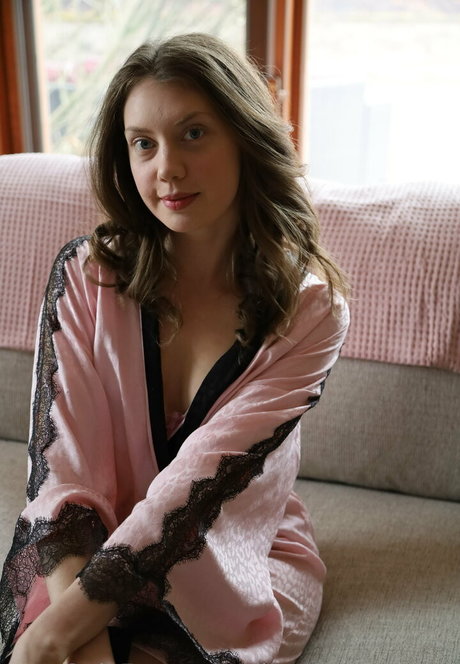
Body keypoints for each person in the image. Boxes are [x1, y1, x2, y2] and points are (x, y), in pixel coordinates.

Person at [0, 33, 349, 664]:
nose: (167, 168)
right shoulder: (86, 277)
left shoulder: (309, 313)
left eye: (193, 134)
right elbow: (65, 478)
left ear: (244, 138)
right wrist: (74, 634)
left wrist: (55, 636)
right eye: (144, 143)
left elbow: (197, 491)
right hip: (88, 547)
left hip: (229, 555)